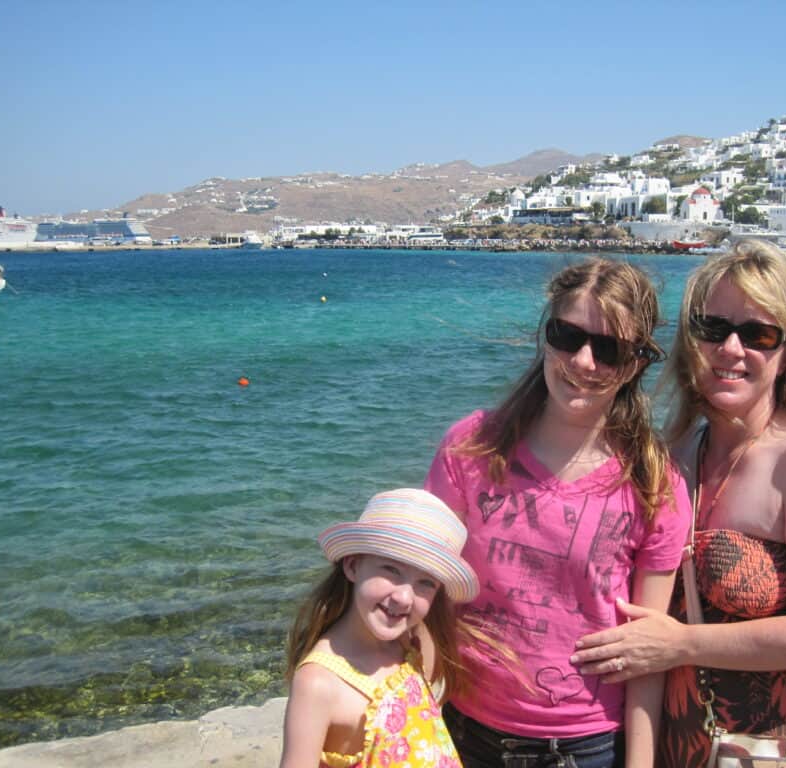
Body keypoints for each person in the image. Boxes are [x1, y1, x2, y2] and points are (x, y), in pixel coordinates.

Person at [570, 239, 786, 767]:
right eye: (713, 329)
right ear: (690, 341)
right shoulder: (679, 455)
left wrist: (682, 644)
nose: (731, 349)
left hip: (782, 747)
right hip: (686, 743)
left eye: (759, 334)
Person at [425, 258, 691, 768]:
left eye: (608, 349)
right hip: (463, 730)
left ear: (635, 363)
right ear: (545, 336)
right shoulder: (470, 447)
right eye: (568, 337)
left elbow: (645, 654)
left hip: (587, 747)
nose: (585, 361)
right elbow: (426, 593)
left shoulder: (655, 483)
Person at [279, 488, 481, 768]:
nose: (404, 597)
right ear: (352, 566)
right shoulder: (319, 683)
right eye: (391, 569)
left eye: (427, 583)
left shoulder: (410, 642)